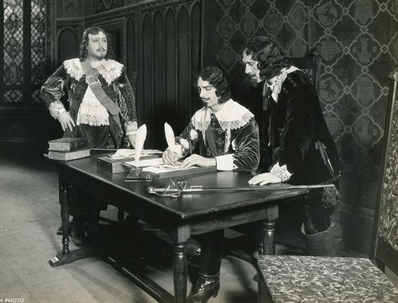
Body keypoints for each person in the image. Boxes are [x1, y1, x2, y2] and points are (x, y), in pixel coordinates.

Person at [162, 66, 260, 303]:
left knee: (211, 214)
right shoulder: (201, 115)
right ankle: (202, 251)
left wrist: (209, 161)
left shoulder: (241, 116)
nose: (202, 94)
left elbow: (252, 159)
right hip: (213, 182)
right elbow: (187, 137)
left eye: (207, 88)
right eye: (199, 89)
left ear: (221, 89)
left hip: (241, 184)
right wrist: (175, 150)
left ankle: (209, 279)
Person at [243, 36, 345, 257]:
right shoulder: (272, 83)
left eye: (250, 64)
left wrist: (280, 171)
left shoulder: (296, 84)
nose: (246, 70)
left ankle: (326, 277)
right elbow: (273, 130)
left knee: (318, 223)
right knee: (318, 221)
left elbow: (298, 132)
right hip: (300, 164)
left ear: (265, 62)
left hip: (317, 167)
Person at [40, 26, 138, 245]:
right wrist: (60, 112)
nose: (101, 45)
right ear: (86, 45)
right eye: (96, 41)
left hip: (108, 132)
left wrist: (131, 131)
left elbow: (128, 102)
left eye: (104, 41)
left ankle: (93, 221)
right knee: (76, 180)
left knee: (102, 179)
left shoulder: (116, 69)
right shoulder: (72, 67)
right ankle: (77, 223)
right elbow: (47, 89)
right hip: (79, 131)